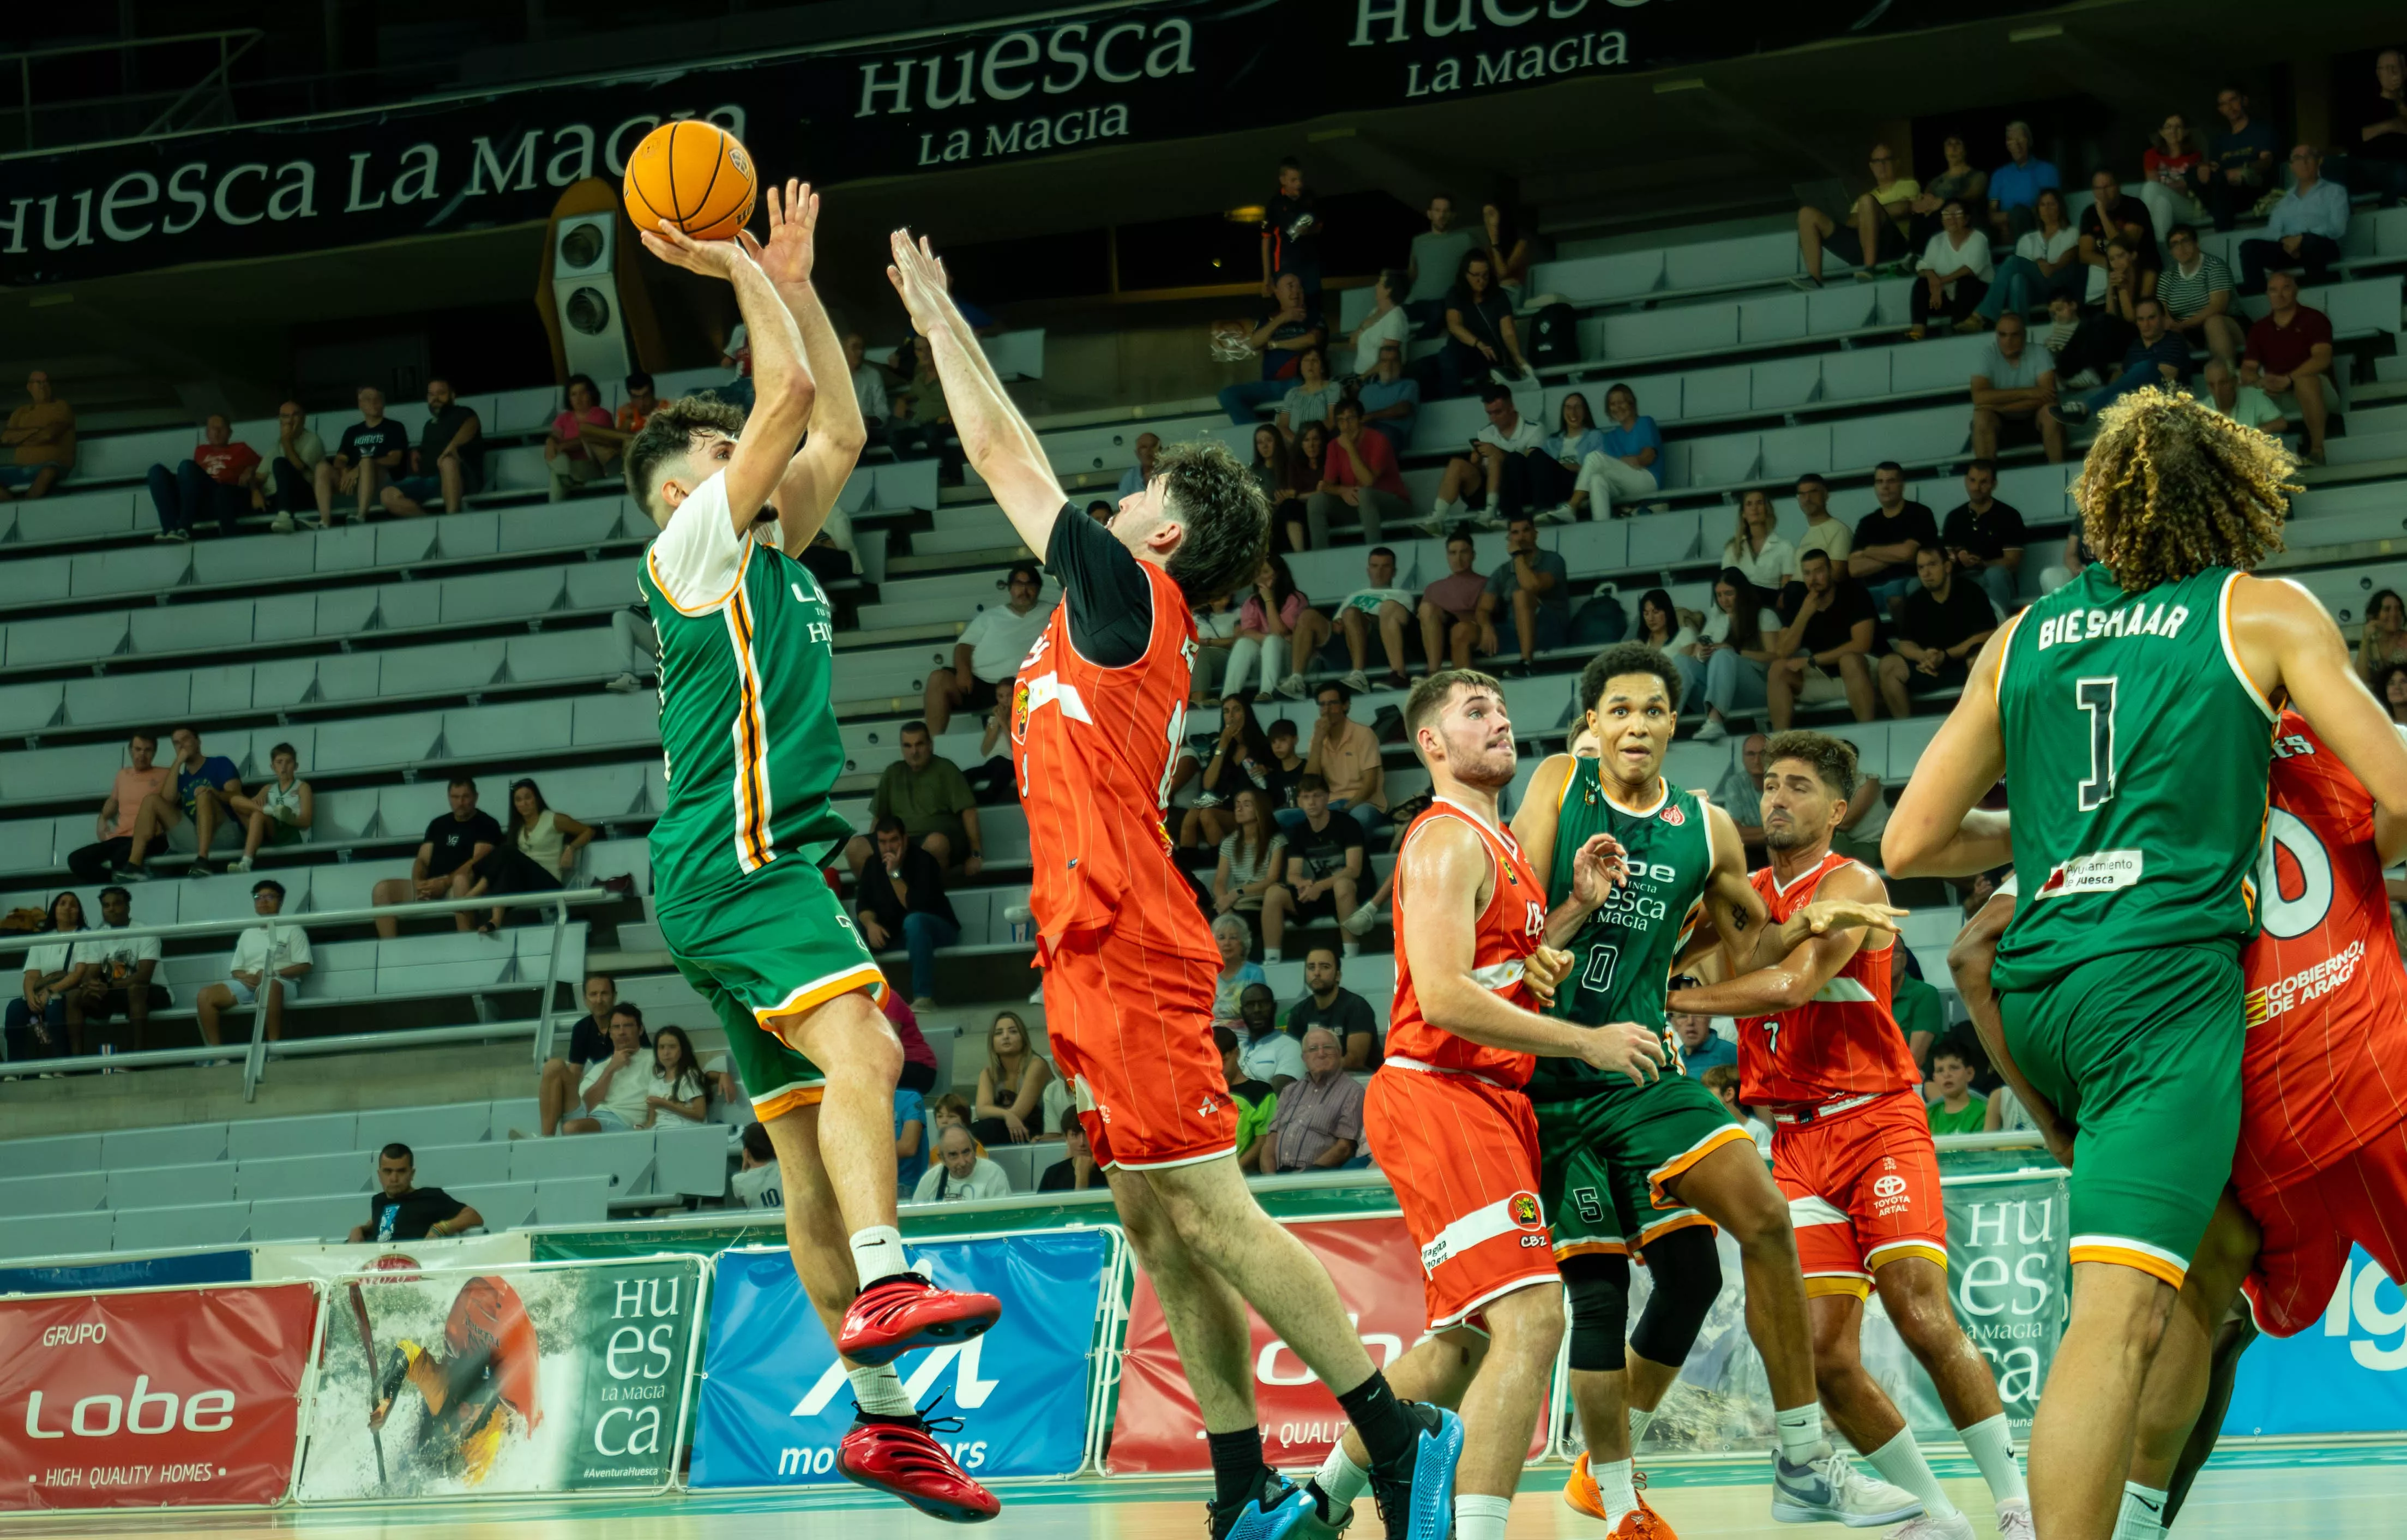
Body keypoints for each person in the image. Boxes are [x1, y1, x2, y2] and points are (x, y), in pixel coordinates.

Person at [890, 222, 1464, 1540]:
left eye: (1138, 488)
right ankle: (1241, 1486)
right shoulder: (1104, 616)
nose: (1115, 497)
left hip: (1129, 943)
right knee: (1152, 1223)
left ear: (1171, 526)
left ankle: (1394, 1431)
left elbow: (999, 453)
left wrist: (938, 320)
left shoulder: (1127, 591)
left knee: (1207, 1203)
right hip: (1082, 945)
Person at [1882, 387, 2407, 1540]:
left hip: (2039, 987)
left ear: (2100, 508)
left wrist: (2063, 837)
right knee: (2117, 1314)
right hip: (2165, 989)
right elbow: (2396, 791)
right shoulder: (2255, 611)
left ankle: (2130, 1518)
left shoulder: (2018, 636)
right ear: (2230, 499)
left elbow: (1908, 842)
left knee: (2203, 1267)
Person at [639, 189, 1000, 1520]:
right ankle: (893, 1270)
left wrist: (793, 281)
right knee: (870, 1051)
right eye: (728, 448)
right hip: (740, 859)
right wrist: (743, 268)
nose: (760, 454)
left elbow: (833, 419)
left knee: (803, 1151)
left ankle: (884, 1425)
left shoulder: (779, 555)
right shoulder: (688, 547)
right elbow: (787, 396)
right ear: (688, 490)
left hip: (725, 869)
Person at [1514, 649, 1915, 1533]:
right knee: (1599, 1295)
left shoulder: (1704, 828)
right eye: (1616, 707)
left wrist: (1812, 921)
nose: (1634, 723)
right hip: (1549, 1075)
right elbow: (1505, 932)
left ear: (1671, 722)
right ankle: (1592, 1485)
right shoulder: (1555, 786)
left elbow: (1754, 947)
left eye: (1652, 708)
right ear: (1590, 721)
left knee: (1755, 1223)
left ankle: (1804, 1455)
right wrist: (1570, 913)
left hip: (1645, 1073)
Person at [1303, 669, 1640, 1540]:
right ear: (1432, 745)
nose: (1498, 720)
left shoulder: (1503, 852)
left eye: (1499, 706)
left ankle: (1316, 1505)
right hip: (1442, 1091)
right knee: (1533, 1314)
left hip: (1483, 1097)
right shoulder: (1443, 842)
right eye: (1473, 711)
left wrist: (1571, 909)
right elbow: (1446, 999)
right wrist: (1587, 1042)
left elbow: (1499, 969)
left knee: (1468, 1341)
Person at [1671, 731, 2029, 1540]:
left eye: (1797, 787)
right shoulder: (1743, 894)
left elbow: (1792, 984)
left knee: (1918, 1312)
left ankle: (2016, 1505)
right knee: (1822, 1353)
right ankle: (1937, 1518)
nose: (1774, 800)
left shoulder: (1854, 881)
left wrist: (1684, 1001)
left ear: (1836, 810)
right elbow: (1669, 952)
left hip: (1877, 1124)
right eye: (1768, 786)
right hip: (1795, 1144)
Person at [2114, 712, 2407, 1538]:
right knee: (2211, 1319)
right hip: (2373, 1082)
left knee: (2216, 1312)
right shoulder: (2327, 730)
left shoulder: (2147, 755)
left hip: (2249, 1124)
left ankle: (2136, 1525)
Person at [1879, 546, 1999, 721]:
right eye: (1921, 568)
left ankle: (1980, 724)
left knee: (1979, 660)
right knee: (1888, 665)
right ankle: (1904, 728)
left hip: (1963, 666)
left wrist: (1946, 655)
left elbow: (1987, 634)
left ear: (1947, 567)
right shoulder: (1915, 601)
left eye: (1932, 565)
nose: (1926, 573)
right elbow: (1905, 643)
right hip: (1929, 667)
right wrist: (1923, 656)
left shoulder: (1971, 592)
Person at [849, 722, 983, 879]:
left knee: (936, 844)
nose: (914, 752)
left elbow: (969, 811)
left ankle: (925, 897)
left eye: (919, 744)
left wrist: (976, 855)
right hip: (898, 839)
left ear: (930, 745)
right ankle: (878, 894)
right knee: (854, 847)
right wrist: (875, 846)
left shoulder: (946, 769)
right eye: (907, 746)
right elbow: (880, 817)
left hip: (934, 840)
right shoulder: (893, 773)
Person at [370, 777, 499, 937]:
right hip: (431, 887)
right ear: (449, 797)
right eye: (455, 797)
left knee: (461, 881)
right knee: (382, 890)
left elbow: (476, 862)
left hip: (462, 887)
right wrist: (419, 884)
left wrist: (444, 883)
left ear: (476, 797)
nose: (460, 802)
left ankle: (467, 945)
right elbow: (422, 860)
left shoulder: (488, 824)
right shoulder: (438, 824)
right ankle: (388, 953)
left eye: (465, 797)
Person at [112, 724, 243, 881]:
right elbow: (166, 800)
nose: (181, 745)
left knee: (203, 795)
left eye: (185, 740)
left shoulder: (220, 763)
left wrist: (211, 793)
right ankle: (134, 865)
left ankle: (203, 860)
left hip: (225, 833)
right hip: (194, 835)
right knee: (151, 800)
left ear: (198, 741)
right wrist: (178, 762)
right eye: (176, 743)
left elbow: (235, 796)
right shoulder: (181, 779)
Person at [193, 879, 313, 1049]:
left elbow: (305, 965)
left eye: (270, 897)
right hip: (248, 984)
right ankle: (216, 1053)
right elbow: (236, 970)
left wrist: (272, 974)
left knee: (270, 986)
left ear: (281, 901)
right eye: (259, 897)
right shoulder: (247, 933)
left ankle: (274, 1047)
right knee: (205, 995)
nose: (263, 901)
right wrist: (246, 977)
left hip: (282, 983)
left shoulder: (293, 929)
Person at [855, 815, 959, 1009]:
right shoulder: (872, 865)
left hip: (937, 930)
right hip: (897, 935)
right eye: (882, 842)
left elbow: (916, 906)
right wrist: (870, 925)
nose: (888, 848)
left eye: (894, 840)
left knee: (914, 922)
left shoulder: (923, 861)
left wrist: (894, 874)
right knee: (852, 929)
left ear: (904, 839)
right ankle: (866, 1002)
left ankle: (924, 997)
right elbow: (863, 905)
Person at [1767, 548, 1878, 730]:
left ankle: (1868, 732)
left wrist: (1812, 660)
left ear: (1831, 572)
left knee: (1849, 660)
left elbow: (1861, 645)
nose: (1814, 579)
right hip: (1822, 673)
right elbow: (1782, 652)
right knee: (1778, 669)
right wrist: (1804, 614)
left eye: (1819, 571)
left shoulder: (1854, 593)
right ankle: (1781, 743)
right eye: (1808, 573)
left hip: (1862, 668)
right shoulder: (1799, 602)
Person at [1262, 775, 1364, 962]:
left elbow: (1353, 870)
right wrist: (1302, 883)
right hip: (1320, 891)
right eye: (1306, 797)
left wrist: (1319, 886)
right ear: (1299, 801)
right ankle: (1272, 959)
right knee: (1274, 893)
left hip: (1354, 890)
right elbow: (1292, 874)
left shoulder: (1348, 824)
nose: (1312, 802)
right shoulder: (1299, 831)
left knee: (1343, 885)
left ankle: (1351, 955)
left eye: (1317, 796)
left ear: (1327, 797)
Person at [2239, 269, 2335, 464]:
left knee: (2305, 381)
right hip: (2277, 391)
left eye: (2286, 288)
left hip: (2319, 390)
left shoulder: (2314, 319)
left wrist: (2289, 378)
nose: (2280, 295)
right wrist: (2262, 382)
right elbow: (2248, 369)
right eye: (2273, 290)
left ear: (2296, 291)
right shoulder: (2259, 329)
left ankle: (2318, 449)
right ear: (2267, 294)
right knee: (2238, 387)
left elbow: (2322, 359)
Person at [1429, 384, 1558, 528]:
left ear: (1511, 407)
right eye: (1489, 413)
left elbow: (1534, 466)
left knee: (1495, 457)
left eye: (1498, 412)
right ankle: (1437, 518)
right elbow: (1485, 470)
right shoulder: (1485, 433)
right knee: (1457, 464)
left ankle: (1491, 514)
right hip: (1490, 487)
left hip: (1522, 490)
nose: (1493, 419)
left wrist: (1498, 453)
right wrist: (1476, 463)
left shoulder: (1535, 429)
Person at [1681, 567, 1784, 743]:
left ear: (1741, 592)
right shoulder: (1717, 621)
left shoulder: (1764, 615)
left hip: (1758, 689)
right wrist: (1701, 655)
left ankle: (1715, 721)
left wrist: (1735, 652)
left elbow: (1775, 657)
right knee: (1681, 661)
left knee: (1723, 654)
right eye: (1719, 595)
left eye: (1729, 593)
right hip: (1719, 692)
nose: (1724, 600)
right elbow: (1696, 654)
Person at [2053, 296, 2191, 425]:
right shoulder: (2135, 346)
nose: (2146, 324)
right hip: (2138, 404)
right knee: (2116, 401)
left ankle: (2086, 408)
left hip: (2168, 402)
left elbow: (2168, 376)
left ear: (2162, 318)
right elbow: (2123, 380)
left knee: (2146, 367)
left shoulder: (2173, 340)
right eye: (2141, 320)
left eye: (2151, 318)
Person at [481, 778, 595, 931]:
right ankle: (494, 920)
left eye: (528, 797)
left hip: (549, 882)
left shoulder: (553, 819)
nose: (524, 803)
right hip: (527, 883)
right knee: (506, 868)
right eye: (519, 800)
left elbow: (588, 831)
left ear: (537, 799)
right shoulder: (518, 829)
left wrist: (570, 848)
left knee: (507, 851)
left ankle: (476, 893)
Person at [1245, 1027, 1364, 1174]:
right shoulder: (1290, 1091)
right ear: (1304, 1059)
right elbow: (1270, 1142)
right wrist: (1271, 1179)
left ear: (1339, 1054)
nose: (1321, 1054)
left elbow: (1345, 1148)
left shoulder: (1353, 1092)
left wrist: (1302, 1177)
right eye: (1313, 1049)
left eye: (1327, 1047)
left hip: (1318, 1178)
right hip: (1278, 1176)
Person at [1797, 144, 1919, 286]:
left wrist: (1870, 212)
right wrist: (1871, 213)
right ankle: (1815, 279)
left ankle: (1869, 269)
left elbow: (1902, 209)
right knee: (1806, 215)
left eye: (1887, 160)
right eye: (1877, 161)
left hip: (1894, 248)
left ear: (1896, 163)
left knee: (1867, 201)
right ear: (1872, 166)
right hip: (1864, 246)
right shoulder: (1864, 200)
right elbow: (1850, 224)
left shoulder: (1909, 185)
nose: (1882, 165)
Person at [1215, 269, 1325, 425]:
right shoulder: (1268, 320)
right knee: (1227, 395)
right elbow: (1254, 343)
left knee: (1299, 387)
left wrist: (1275, 344)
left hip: (1299, 382)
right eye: (1291, 286)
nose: (1297, 291)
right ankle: (1258, 436)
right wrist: (1283, 318)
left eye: (1299, 287)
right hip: (1270, 385)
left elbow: (1312, 340)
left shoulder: (1314, 316)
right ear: (1278, 293)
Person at [2237, 146, 2349, 294]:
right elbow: (2273, 231)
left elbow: (2338, 229)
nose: (2304, 162)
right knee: (2249, 248)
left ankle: (2317, 293)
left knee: (2310, 243)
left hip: (2322, 247)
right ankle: (2257, 298)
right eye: (2298, 158)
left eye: (2308, 157)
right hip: (2290, 250)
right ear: (2291, 167)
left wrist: (2302, 238)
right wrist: (2286, 240)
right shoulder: (2285, 200)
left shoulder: (2335, 191)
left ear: (2318, 161)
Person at [537, 975, 636, 1138]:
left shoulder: (626, 1027)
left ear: (615, 996)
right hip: (591, 1101)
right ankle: (546, 1140)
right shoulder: (581, 1028)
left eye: (604, 994)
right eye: (593, 994)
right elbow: (575, 1073)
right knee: (553, 1066)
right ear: (585, 999)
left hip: (617, 1107)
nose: (599, 1000)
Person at [66, 731, 171, 885]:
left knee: (120, 857)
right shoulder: (123, 775)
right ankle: (115, 880)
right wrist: (102, 819)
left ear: (154, 753)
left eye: (148, 750)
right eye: (138, 749)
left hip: (150, 838)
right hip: (121, 838)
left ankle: (124, 882)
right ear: (130, 750)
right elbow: (113, 801)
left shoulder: (165, 774)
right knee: (76, 860)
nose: (142, 754)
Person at [1473, 513, 1569, 678]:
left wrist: (1518, 557)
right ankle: (1463, 688)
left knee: (1521, 595)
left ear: (1535, 533)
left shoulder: (1553, 560)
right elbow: (1483, 609)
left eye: (1526, 531)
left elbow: (1531, 586)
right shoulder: (1502, 571)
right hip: (1513, 632)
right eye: (1515, 533)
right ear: (1509, 538)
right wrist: (1487, 628)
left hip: (1550, 630)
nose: (1521, 537)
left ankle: (1527, 663)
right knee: (1462, 631)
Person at [68, 886, 162, 1055]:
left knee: (136, 989)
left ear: (128, 907)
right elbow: (91, 972)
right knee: (74, 996)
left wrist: (109, 987)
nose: (112, 909)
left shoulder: (145, 932)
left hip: (152, 991)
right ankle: (76, 1059)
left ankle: (139, 1056)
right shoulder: (98, 935)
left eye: (117, 904)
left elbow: (144, 976)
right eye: (106, 905)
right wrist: (92, 985)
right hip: (113, 992)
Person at [1973, 186, 2084, 327]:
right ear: (2038, 209)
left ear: (2060, 207)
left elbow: (2067, 259)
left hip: (2060, 286)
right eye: (2043, 205)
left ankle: (1985, 313)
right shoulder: (2027, 239)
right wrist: (2039, 263)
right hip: (2035, 290)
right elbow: (2030, 269)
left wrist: (2049, 265)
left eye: (2052, 204)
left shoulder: (2072, 232)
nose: (2047, 208)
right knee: (2017, 279)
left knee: (2012, 261)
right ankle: (2018, 327)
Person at [1225, 554, 1328, 701]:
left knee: (1273, 641)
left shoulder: (1296, 598)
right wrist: (1269, 638)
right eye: (1257, 572)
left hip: (1294, 661)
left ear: (1279, 574)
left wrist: (1268, 600)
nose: (1260, 577)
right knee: (1244, 644)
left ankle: (1268, 692)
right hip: (1266, 661)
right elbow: (1247, 633)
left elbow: (1280, 631)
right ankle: (1229, 696)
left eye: (1266, 572)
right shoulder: (1252, 601)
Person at [1309, 399, 1408, 549]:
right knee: (1316, 501)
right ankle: (1319, 558)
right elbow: (1327, 486)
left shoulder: (1379, 440)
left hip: (1391, 503)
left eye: (1351, 419)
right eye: (1341, 421)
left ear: (1361, 419)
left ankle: (1374, 554)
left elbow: (1368, 482)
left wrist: (1350, 448)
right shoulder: (1334, 446)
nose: (1346, 425)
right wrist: (1343, 490)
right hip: (1355, 504)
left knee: (1365, 494)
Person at [1968, 313, 2066, 464]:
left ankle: (2059, 473)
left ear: (2024, 335)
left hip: (2034, 420)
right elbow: (1979, 398)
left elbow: (2049, 396)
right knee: (1981, 418)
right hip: (2000, 423)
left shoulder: (2040, 353)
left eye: (2015, 335)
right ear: (1997, 335)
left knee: (2051, 412)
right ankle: (1986, 478)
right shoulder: (1987, 355)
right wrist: (2029, 392)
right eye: (2003, 335)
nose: (2008, 340)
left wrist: (2002, 406)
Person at [382, 378, 484, 518]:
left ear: (452, 396)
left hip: (461, 479)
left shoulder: (463, 413)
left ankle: (452, 518)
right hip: (429, 481)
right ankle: (431, 522)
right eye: (431, 394)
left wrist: (452, 447)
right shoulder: (429, 426)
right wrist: (416, 452)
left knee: (447, 461)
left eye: (441, 393)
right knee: (387, 494)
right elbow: (430, 448)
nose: (435, 398)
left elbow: (472, 425)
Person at [148, 414, 261, 541]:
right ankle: (170, 529)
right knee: (156, 471)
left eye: (221, 428)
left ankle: (185, 527)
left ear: (230, 432)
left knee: (186, 466)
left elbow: (264, 464)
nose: (217, 432)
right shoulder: (201, 450)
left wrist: (251, 469)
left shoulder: (241, 448)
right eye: (213, 428)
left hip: (220, 495)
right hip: (196, 496)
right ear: (207, 433)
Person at [1848, 462, 1941, 615]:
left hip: (1911, 582)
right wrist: (1895, 556)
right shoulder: (1867, 523)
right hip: (1873, 589)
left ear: (1902, 485)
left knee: (1894, 593)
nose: (1885, 487)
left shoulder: (1919, 513)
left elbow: (1908, 553)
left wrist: (1869, 551)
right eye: (1880, 482)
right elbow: (1854, 568)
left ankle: (1906, 638)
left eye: (1891, 481)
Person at [5, 892, 88, 1063]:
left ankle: (60, 1063)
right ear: (55, 910)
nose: (67, 908)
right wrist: (30, 997)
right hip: (42, 993)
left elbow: (79, 973)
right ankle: (16, 1066)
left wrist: (51, 991)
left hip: (68, 993)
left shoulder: (85, 936)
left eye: (73, 905)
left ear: (79, 912)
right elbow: (31, 976)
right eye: (62, 903)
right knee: (15, 1008)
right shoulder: (42, 938)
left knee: (54, 1005)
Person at [1298, 684, 1388, 837]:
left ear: (1345, 705)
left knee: (1358, 818)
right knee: (1283, 819)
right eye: (1322, 705)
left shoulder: (1363, 734)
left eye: (1333, 703)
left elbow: (1370, 785)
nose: (1327, 710)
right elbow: (1310, 782)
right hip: (1329, 804)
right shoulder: (1317, 738)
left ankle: (1349, 859)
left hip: (1362, 804)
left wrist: (1345, 810)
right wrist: (1318, 740)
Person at [1940, 459, 2027, 613]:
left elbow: (2012, 563)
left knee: (1995, 573)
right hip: (1962, 580)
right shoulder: (1954, 517)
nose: (1976, 487)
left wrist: (1982, 564)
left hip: (1996, 581)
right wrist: (1957, 558)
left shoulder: (2009, 516)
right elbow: (1945, 559)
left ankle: (1998, 623)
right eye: (1972, 481)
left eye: (1983, 482)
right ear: (1966, 481)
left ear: (1994, 484)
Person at [314, 386, 408, 527]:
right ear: (361, 404)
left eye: (378, 399)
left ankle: (361, 516)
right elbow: (340, 460)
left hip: (380, 479)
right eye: (368, 400)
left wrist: (362, 467)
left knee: (366, 461)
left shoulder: (395, 427)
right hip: (352, 481)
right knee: (322, 467)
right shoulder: (352, 432)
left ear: (383, 403)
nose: (374, 403)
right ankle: (325, 521)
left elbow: (395, 458)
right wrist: (346, 472)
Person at [1568, 383, 1664, 522]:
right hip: (1626, 483)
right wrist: (1627, 463)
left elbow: (1648, 457)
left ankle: (1571, 507)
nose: (1617, 407)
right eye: (1613, 404)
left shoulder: (1645, 422)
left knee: (1594, 457)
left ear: (1631, 403)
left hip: (1649, 480)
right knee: (1597, 480)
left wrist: (1636, 460)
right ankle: (1602, 528)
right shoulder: (1611, 437)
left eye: (1621, 402)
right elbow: (1617, 467)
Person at [348, 1145, 483, 1243]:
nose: (394, 1179)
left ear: (412, 1174)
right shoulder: (378, 1201)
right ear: (379, 1174)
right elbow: (386, 1219)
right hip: (380, 1270)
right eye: (388, 1172)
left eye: (401, 1171)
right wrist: (360, 1229)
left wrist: (441, 1228)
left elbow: (473, 1216)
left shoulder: (429, 1197)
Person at [1440, 252, 1530, 398]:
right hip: (1465, 348)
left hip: (1489, 354)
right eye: (1476, 275)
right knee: (1435, 362)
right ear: (1465, 274)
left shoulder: (1498, 296)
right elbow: (1454, 325)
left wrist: (1517, 357)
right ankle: (1452, 402)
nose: (1481, 280)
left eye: (1485, 275)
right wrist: (1478, 343)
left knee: (1484, 372)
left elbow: (1508, 332)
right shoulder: (1455, 293)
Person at [1332, 546, 1420, 694]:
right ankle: (1357, 675)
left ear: (1394, 572)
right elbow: (1337, 624)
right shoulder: (1354, 596)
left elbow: (1400, 624)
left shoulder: (1402, 595)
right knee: (1349, 614)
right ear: (1368, 570)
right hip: (1350, 638)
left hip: (1382, 639)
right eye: (1374, 566)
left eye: (1385, 567)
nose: (1379, 572)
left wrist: (1365, 617)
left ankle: (1367, 674)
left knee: (1359, 613)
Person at [2156, 225, 2243, 369]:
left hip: (2227, 324)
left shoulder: (2215, 266)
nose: (2181, 247)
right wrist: (2171, 323)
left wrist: (2182, 325)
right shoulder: (2167, 276)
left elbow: (2218, 306)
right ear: (2171, 252)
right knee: (2161, 331)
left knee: (2213, 322)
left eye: (2185, 241)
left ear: (2197, 243)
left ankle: (2227, 375)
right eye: (2175, 244)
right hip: (2187, 332)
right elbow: (2161, 308)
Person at [562, 1005, 657, 1133]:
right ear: (610, 1033)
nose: (622, 1032)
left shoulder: (655, 1060)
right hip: (595, 1118)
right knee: (555, 1067)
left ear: (640, 1030)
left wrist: (650, 1124)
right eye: (616, 1027)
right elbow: (587, 1106)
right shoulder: (600, 1067)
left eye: (628, 1026)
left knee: (572, 1128)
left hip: (625, 1122)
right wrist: (611, 1069)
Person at [1906, 201, 1993, 340]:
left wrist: (1939, 282)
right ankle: (1918, 330)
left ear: (1967, 218)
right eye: (1947, 215)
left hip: (1975, 297)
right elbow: (1923, 267)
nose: (1952, 219)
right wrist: (1933, 279)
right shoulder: (1937, 240)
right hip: (1942, 297)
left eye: (1957, 214)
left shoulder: (1979, 239)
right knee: (1921, 284)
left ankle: (1959, 328)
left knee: (1966, 282)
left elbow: (1970, 269)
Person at [1283, 946, 1379, 1070]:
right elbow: (1292, 1058)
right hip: (1316, 1081)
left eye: (1325, 967)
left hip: (1361, 1080)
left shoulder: (1357, 1006)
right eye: (1311, 967)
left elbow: (1356, 1060)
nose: (1317, 973)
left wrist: (1320, 1068)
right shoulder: (1299, 1011)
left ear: (1338, 976)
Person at [224, 740, 312, 874]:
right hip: (271, 831)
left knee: (258, 815)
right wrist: (263, 809)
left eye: (289, 762)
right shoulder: (268, 789)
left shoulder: (302, 788)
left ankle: (246, 863)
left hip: (293, 833)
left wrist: (289, 818)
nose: (284, 767)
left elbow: (306, 822)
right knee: (237, 801)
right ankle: (270, 811)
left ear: (296, 766)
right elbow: (242, 806)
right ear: (272, 767)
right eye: (279, 762)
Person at [971, 1010, 1054, 1147]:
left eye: (1013, 1032)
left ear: (1023, 1038)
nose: (1006, 1037)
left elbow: (1018, 1114)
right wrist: (1006, 1115)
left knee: (982, 1131)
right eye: (999, 1033)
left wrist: (1006, 1115)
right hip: (1003, 1129)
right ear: (992, 1042)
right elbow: (981, 1110)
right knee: (967, 1133)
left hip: (1031, 1131)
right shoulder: (988, 1073)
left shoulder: (1036, 1065)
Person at [2076, 169, 2161, 300]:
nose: (2102, 193)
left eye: (2107, 187)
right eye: (2098, 188)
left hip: (2142, 265)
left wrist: (2102, 215)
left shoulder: (2135, 206)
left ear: (2118, 186)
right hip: (2111, 268)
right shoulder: (2089, 214)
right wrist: (2113, 264)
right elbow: (2084, 254)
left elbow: (2123, 245)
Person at [2203, 86, 2279, 230]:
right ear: (2221, 110)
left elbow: (2267, 162)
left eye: (2233, 100)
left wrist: (2243, 171)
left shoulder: (2261, 130)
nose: (2230, 107)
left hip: (2251, 188)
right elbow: (2214, 168)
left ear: (2244, 101)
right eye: (2224, 104)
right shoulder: (2219, 141)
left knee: (2221, 194)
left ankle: (2222, 241)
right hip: (2223, 188)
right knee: (2197, 176)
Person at [1404, 192, 1479, 334]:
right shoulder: (1418, 242)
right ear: (1430, 214)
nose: (1442, 215)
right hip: (1416, 302)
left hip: (1445, 302)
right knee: (1391, 315)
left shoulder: (1465, 239)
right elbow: (1412, 273)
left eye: (1446, 211)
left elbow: (1481, 268)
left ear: (1453, 215)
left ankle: (1420, 346)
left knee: (1438, 312)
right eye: (1437, 211)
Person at [1212, 789, 1289, 923]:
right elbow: (1220, 880)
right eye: (1237, 805)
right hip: (1234, 901)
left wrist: (1237, 893)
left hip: (1260, 900)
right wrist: (1223, 901)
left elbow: (1271, 880)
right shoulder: (1229, 842)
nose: (1239, 809)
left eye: (1247, 805)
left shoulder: (1276, 841)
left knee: (1241, 921)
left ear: (1260, 809)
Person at [0, 370, 74, 502]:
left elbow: (48, 435)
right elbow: (6, 438)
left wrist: (21, 438)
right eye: (39, 382)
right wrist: (35, 431)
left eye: (46, 382)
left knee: (48, 473)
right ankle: (12, 504)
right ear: (30, 387)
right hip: (21, 469)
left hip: (51, 467)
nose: (43, 386)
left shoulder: (61, 407)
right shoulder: (20, 412)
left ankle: (26, 506)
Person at [1987, 121, 2060, 242]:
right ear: (2007, 145)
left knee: (2019, 213)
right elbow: (1992, 214)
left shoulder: (2048, 170)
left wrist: (2012, 217)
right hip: (2006, 232)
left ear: (2029, 141)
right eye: (2011, 140)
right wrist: (2007, 222)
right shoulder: (1999, 175)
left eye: (2020, 139)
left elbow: (2051, 208)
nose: (2016, 145)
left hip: (2039, 228)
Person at [1260, 155, 1322, 298]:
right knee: (1290, 306)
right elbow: (1266, 240)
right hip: (1285, 266)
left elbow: (1319, 227)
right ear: (1283, 181)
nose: (1299, 184)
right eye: (1293, 180)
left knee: (1313, 305)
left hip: (1309, 263)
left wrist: (1309, 231)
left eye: (1300, 179)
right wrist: (1267, 277)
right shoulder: (1275, 205)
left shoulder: (1310, 198)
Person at [2350, 47, 2407, 202]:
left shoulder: (2403, 104)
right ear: (2378, 74)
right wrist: (2390, 126)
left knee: (2399, 174)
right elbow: (2357, 138)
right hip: (2369, 166)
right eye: (2387, 69)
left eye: (2396, 68)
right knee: (2330, 166)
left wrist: (2399, 99)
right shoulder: (2366, 105)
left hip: (2400, 167)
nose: (2393, 73)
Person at [1721, 488, 1799, 595]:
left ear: (1767, 509)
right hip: (1742, 608)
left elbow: (1786, 593)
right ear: (1743, 513)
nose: (1754, 508)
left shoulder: (1785, 547)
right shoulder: (1732, 549)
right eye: (1749, 504)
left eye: (1759, 503)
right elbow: (1725, 586)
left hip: (1772, 606)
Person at [2141, 113, 2213, 229]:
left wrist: (2165, 184)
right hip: (2165, 203)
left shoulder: (2195, 156)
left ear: (2185, 132)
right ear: (2161, 132)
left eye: (2178, 127)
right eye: (2168, 127)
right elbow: (2153, 181)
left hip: (2188, 206)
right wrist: (2177, 184)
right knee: (2161, 203)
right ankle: (2162, 245)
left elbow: (2187, 186)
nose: (2173, 131)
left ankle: (2144, 232)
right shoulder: (2152, 155)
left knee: (2152, 189)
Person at [264, 401, 326, 531]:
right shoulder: (276, 445)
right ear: (280, 420)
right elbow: (260, 476)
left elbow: (299, 468)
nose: (290, 421)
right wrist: (255, 491)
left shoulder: (312, 440)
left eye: (295, 415)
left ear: (303, 419)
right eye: (286, 416)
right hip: (275, 499)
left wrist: (287, 441)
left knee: (280, 463)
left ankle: (285, 515)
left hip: (304, 496)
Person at [913, 1124, 1013, 1202]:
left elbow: (1003, 1220)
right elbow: (917, 1219)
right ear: (942, 1159)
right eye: (953, 1155)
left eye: (966, 1152)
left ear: (974, 1149)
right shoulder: (930, 1180)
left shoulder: (994, 1174)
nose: (963, 1162)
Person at [1341, 269, 1411, 379]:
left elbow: (1388, 362)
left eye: (1379, 283)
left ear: (1389, 290)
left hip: (1376, 379)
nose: (1376, 286)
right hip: (1359, 374)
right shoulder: (1375, 312)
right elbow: (1353, 341)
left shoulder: (1396, 318)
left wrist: (1362, 380)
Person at [1356, 339, 1422, 455]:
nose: (1389, 365)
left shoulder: (1409, 385)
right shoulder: (1366, 390)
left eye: (1394, 361)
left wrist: (1371, 416)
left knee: (1380, 440)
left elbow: (1403, 409)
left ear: (1401, 365)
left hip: (1393, 433)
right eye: (1384, 361)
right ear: (1378, 365)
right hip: (1366, 432)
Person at [641, 1025, 711, 1127]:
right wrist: (643, 1129)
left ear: (683, 1050)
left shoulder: (689, 1076)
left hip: (684, 1132)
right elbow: (651, 1122)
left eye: (672, 1047)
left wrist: (664, 1103)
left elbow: (700, 1114)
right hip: (658, 1133)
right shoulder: (656, 1080)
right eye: (661, 1047)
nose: (666, 1053)